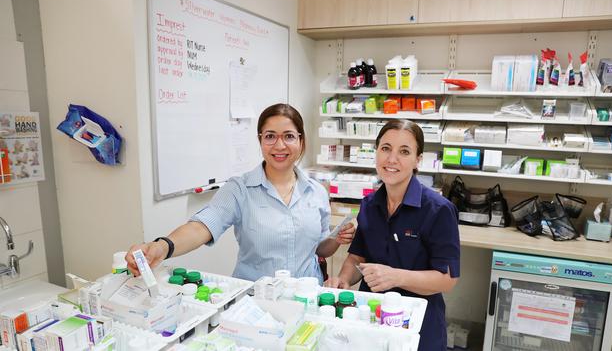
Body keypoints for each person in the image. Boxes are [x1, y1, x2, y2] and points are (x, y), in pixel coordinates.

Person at [126, 103, 355, 282]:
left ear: (301, 141)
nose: (279, 145)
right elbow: (201, 226)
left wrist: (336, 240)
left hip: (307, 296)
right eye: (270, 136)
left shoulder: (316, 192)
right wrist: (161, 247)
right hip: (255, 300)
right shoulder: (240, 189)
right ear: (260, 140)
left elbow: (319, 247)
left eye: (288, 136)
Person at [324, 119, 460, 351]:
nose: (392, 159)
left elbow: (447, 280)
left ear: (418, 160)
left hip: (418, 327)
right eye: (385, 148)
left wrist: (396, 277)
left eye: (404, 151)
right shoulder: (369, 204)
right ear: (376, 152)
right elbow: (357, 258)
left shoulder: (438, 210)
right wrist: (344, 280)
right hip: (371, 322)